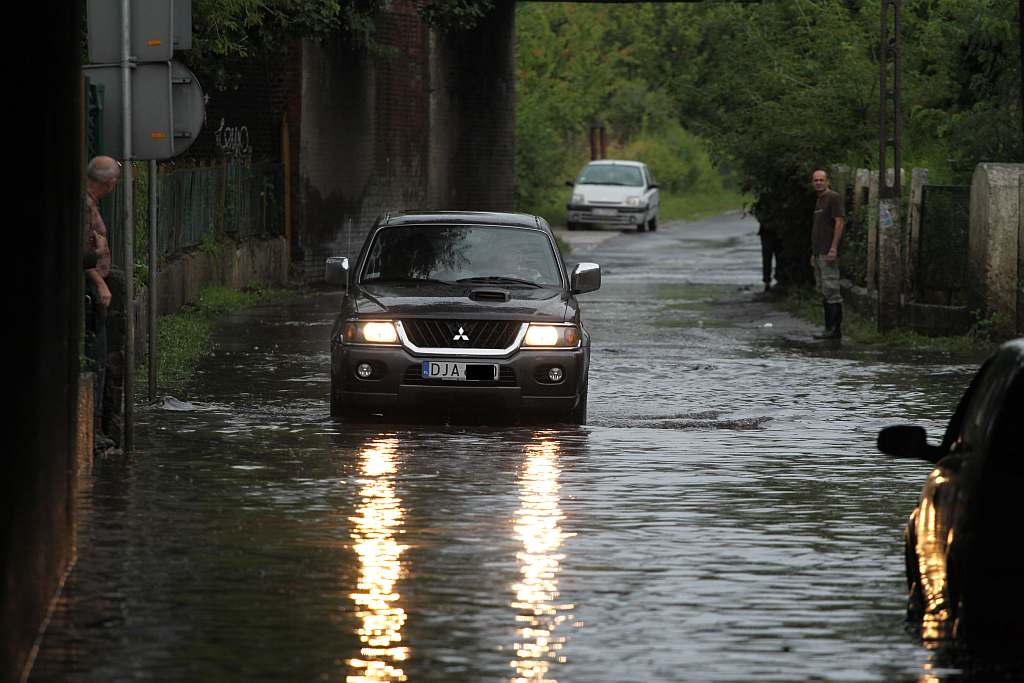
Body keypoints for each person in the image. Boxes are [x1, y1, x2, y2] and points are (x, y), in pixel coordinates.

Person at [83, 156, 120, 452]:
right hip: (92, 291)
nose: (116, 185)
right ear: (108, 182)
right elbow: (83, 253)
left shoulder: (90, 204)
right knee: (95, 357)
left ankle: (97, 429)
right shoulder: (85, 206)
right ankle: (92, 432)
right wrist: (100, 283)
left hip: (96, 288)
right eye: (115, 180)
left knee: (100, 359)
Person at [809, 169, 845, 339]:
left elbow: (839, 222)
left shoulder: (833, 198)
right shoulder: (819, 200)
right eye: (816, 180)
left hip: (828, 253)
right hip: (819, 254)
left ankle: (834, 330)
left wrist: (833, 248)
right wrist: (813, 254)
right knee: (824, 291)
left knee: (832, 290)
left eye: (821, 180)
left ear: (827, 181)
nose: (818, 182)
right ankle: (827, 328)